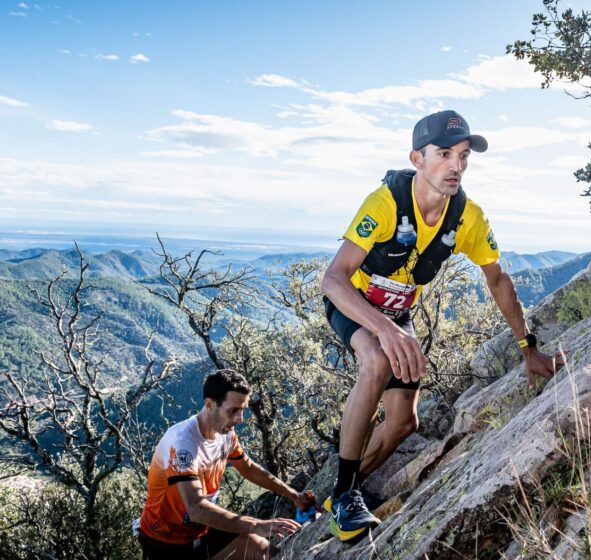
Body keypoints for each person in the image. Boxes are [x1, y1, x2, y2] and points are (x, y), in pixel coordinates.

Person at [320, 109, 562, 542]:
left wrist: (528, 347)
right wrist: (386, 330)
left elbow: (499, 280)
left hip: (398, 313)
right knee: (375, 360)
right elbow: (333, 279)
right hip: (356, 305)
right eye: (445, 154)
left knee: (403, 423)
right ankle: (342, 498)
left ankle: (349, 486)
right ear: (417, 158)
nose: (456, 166)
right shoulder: (386, 202)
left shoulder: (468, 218)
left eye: (464, 156)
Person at [137, 369, 317, 560]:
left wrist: (294, 495)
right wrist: (258, 525)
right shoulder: (182, 445)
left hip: (202, 530)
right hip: (164, 542)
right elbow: (196, 509)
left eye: (242, 410)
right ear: (210, 404)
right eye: (233, 411)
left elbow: (248, 468)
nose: (240, 419)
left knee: (265, 552)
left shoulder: (225, 434)